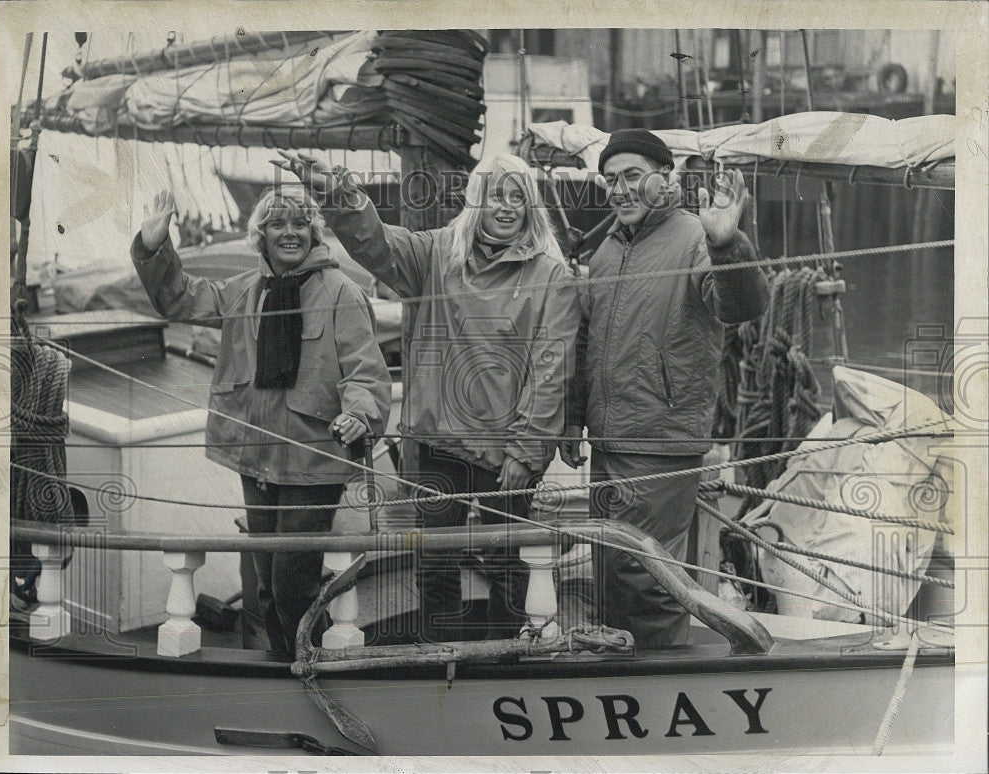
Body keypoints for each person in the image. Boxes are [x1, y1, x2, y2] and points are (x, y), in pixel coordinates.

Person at [275, 151, 581, 642]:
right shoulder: (435, 255)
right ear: (474, 201)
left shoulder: (552, 277)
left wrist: (525, 451)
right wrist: (335, 191)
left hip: (507, 454)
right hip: (436, 445)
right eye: (495, 195)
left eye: (517, 197)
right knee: (435, 561)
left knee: (507, 559)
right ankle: (444, 657)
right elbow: (373, 243)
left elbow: (551, 369)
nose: (506, 207)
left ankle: (509, 658)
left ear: (531, 208)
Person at [131, 186, 391, 660]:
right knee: (268, 577)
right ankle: (285, 660)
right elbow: (180, 300)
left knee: (293, 575)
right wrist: (154, 246)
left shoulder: (342, 293)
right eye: (277, 224)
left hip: (313, 457)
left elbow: (365, 371)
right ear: (261, 235)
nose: (288, 232)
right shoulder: (243, 292)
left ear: (313, 231)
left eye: (298, 223)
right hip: (258, 457)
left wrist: (359, 414)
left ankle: (303, 658)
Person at [560, 129, 769, 649]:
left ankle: (657, 678)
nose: (620, 189)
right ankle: (623, 678)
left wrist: (727, 241)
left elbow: (741, 307)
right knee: (609, 568)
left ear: (664, 176)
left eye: (633, 175)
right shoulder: (607, 251)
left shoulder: (696, 239)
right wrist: (572, 418)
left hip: (661, 440)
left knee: (648, 578)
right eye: (610, 180)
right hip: (609, 442)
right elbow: (587, 341)